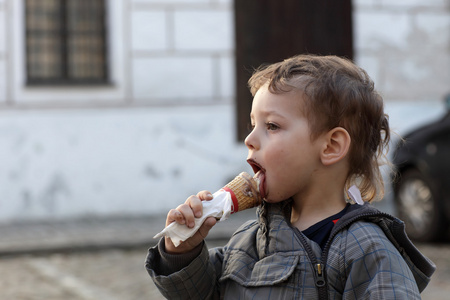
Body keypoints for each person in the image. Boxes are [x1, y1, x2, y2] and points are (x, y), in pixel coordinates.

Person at [145, 54, 435, 299]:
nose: (249, 139)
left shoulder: (365, 248)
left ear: (331, 146)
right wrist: (182, 250)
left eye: (271, 125)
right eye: (252, 124)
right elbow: (201, 293)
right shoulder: (246, 242)